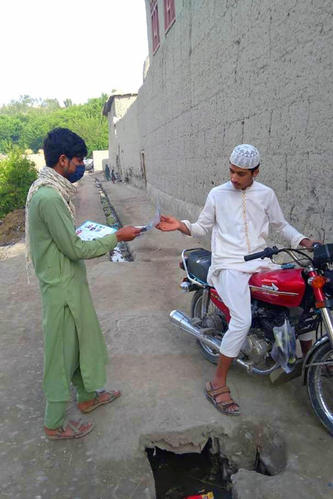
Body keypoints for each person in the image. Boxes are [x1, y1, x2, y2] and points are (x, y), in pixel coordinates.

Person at [156, 144, 316, 416]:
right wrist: (181, 225)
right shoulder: (217, 194)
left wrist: (302, 240)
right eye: (231, 171)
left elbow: (281, 225)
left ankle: (310, 366)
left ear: (256, 172)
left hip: (261, 262)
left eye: (241, 174)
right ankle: (217, 382)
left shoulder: (266, 194)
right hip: (228, 265)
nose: (234, 178)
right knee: (242, 319)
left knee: (302, 302)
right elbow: (202, 227)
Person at [25, 128, 141, 440]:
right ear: (63, 160)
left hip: (69, 282)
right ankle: (53, 423)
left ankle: (88, 397)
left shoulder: (51, 189)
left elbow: (66, 239)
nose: (82, 166)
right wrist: (116, 236)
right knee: (61, 355)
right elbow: (74, 249)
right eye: (78, 160)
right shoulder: (49, 197)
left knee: (81, 343)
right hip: (61, 288)